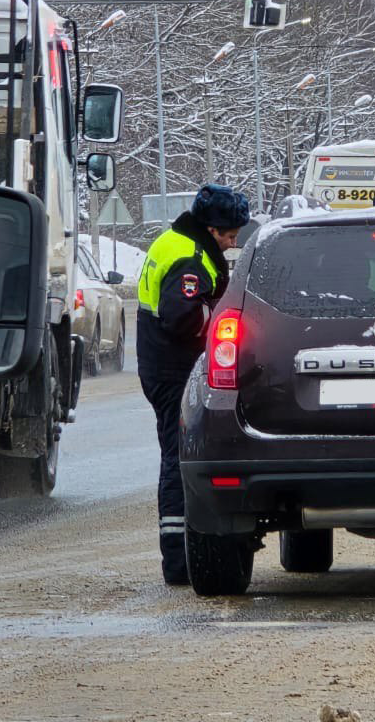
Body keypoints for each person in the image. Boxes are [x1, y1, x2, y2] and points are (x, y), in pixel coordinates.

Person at [136, 183, 249, 584]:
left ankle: (180, 557)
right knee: (177, 459)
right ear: (212, 228)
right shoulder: (190, 257)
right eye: (230, 234)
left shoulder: (174, 241)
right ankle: (178, 562)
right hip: (173, 371)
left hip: (160, 366)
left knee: (176, 455)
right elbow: (181, 317)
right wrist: (220, 319)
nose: (234, 242)